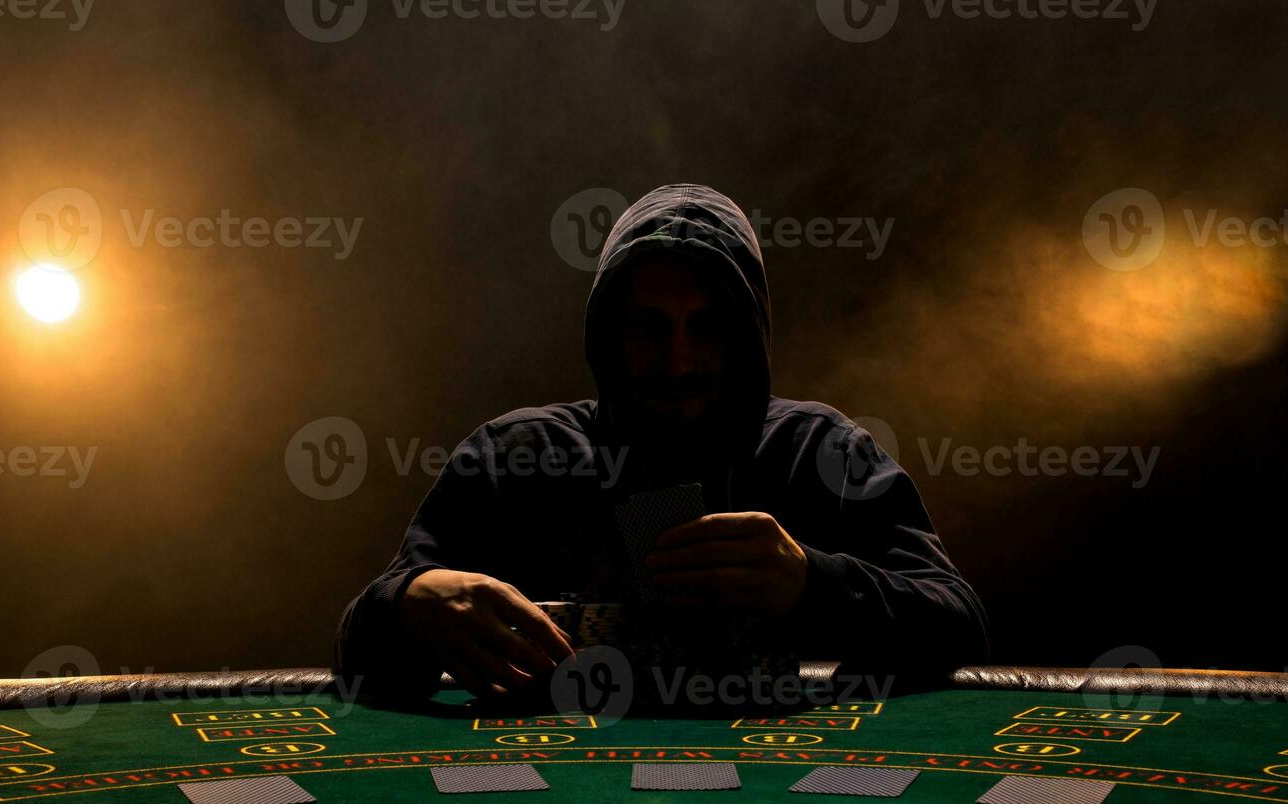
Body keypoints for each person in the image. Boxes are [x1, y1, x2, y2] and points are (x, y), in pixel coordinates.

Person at [337, 183, 989, 700]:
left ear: (746, 339)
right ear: (607, 336)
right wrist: (405, 603)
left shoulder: (817, 450)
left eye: (706, 328)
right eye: (648, 327)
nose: (677, 362)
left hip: (779, 803)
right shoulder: (515, 457)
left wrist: (813, 583)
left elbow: (959, 620)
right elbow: (357, 658)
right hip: (548, 802)